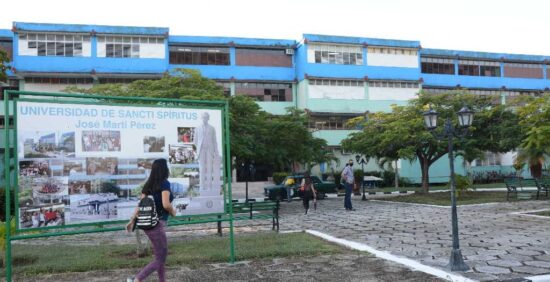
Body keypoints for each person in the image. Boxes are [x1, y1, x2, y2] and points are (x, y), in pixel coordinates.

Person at [127, 158, 176, 282]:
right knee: (161, 258)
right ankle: (137, 279)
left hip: (147, 225)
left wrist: (132, 220)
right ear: (164, 169)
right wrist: (173, 211)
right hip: (157, 224)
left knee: (159, 256)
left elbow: (140, 205)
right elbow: (166, 204)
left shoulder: (148, 184)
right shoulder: (164, 183)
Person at [193, 112, 221, 196]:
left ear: (208, 118)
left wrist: (216, 152)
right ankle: (202, 186)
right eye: (203, 117)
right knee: (202, 169)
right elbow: (195, 141)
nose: (204, 118)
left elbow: (214, 141)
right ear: (201, 118)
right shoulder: (197, 128)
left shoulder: (212, 128)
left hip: (210, 150)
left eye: (206, 117)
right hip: (201, 151)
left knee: (209, 169)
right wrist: (196, 151)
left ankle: (209, 186)